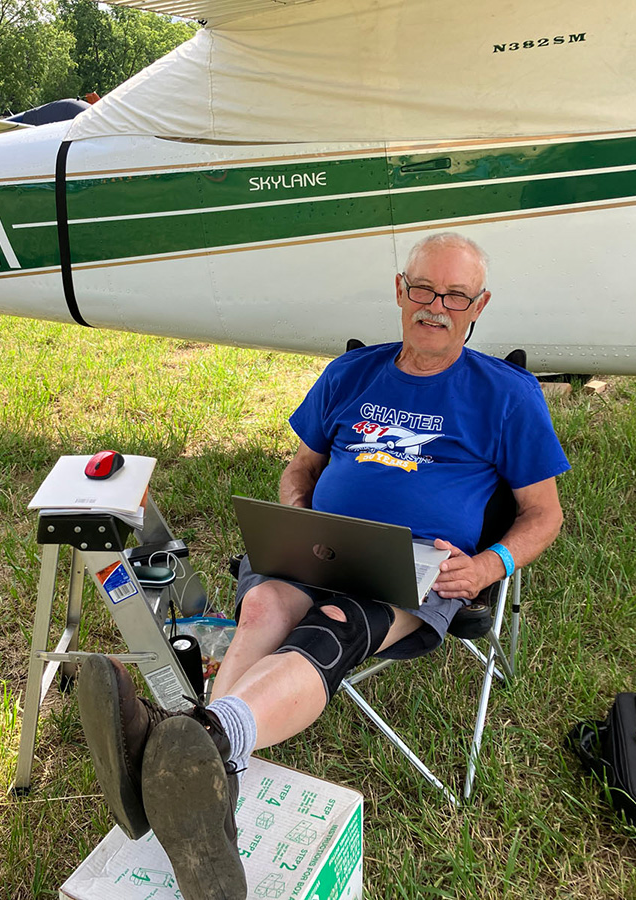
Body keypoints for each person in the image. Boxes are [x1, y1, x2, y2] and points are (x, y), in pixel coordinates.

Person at [77, 232, 570, 900]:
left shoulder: (505, 395)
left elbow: (544, 515)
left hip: (414, 568)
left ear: (477, 305)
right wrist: (296, 512)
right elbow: (301, 466)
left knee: (330, 628)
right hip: (320, 543)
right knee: (260, 606)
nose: (436, 306)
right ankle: (205, 773)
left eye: (455, 296)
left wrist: (490, 565)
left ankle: (194, 744)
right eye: (423, 289)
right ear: (401, 291)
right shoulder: (351, 374)